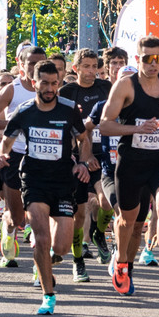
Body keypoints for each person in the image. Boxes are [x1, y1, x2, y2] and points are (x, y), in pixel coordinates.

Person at [0, 59, 94, 315]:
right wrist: (0, 155)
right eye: (45, 83)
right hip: (34, 179)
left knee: (60, 246)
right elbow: (5, 142)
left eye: (54, 83)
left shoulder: (69, 110)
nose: (50, 88)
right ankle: (48, 295)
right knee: (41, 237)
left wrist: (82, 163)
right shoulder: (24, 111)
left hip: (62, 181)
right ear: (33, 83)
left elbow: (84, 139)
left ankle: (45, 263)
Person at [100, 35, 159, 301]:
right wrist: (137, 128)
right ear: (138, 59)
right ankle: (121, 262)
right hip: (130, 163)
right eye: (147, 59)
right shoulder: (124, 87)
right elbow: (105, 125)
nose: (153, 64)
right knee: (128, 220)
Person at [0, 43, 46, 268]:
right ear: (21, 65)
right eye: (30, 63)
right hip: (15, 155)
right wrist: (16, 123)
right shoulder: (12, 89)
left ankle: (39, 264)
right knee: (18, 216)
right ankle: (8, 226)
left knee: (38, 212)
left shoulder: (50, 87)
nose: (35, 67)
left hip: (41, 157)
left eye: (39, 63)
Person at [58, 47, 111, 282]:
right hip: (78, 159)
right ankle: (78, 261)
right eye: (86, 67)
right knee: (79, 215)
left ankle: (99, 233)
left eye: (94, 67)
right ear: (76, 68)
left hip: (105, 154)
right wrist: (80, 156)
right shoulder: (66, 92)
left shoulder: (107, 88)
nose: (91, 72)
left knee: (107, 202)